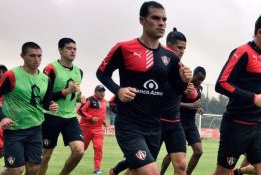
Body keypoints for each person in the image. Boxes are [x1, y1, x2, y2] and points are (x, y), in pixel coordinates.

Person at [96, 1, 192, 175]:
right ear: (142, 20)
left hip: (155, 125)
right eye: (155, 18)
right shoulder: (124, 48)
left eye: (164, 19)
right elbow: (102, 73)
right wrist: (118, 90)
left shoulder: (170, 57)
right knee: (151, 172)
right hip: (129, 125)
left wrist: (184, 81)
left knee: (135, 171)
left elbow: (176, 90)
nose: (161, 23)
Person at [213, 12, 261, 175]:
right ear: (260, 32)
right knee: (223, 173)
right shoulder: (242, 52)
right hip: (235, 126)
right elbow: (221, 84)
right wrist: (254, 98)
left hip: (258, 126)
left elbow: (258, 89)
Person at [0, 42, 58, 175]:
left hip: (35, 129)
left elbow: (44, 102)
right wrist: (2, 117)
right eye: (32, 56)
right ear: (22, 56)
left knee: (33, 168)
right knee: (16, 170)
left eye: (39, 56)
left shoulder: (46, 79)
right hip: (14, 130)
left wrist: (50, 105)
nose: (37, 59)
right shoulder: (11, 75)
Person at [39, 38, 85, 175]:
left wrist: (79, 97)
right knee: (45, 155)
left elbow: (74, 92)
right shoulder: (51, 68)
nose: (72, 51)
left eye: (75, 49)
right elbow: (43, 96)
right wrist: (66, 91)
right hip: (51, 116)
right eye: (69, 48)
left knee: (79, 150)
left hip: (70, 117)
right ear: (60, 50)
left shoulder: (79, 71)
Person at [158, 28, 188, 175]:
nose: (182, 51)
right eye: (179, 47)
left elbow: (177, 92)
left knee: (181, 165)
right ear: (168, 46)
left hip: (174, 123)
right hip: (154, 122)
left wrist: (184, 84)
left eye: (184, 48)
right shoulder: (156, 65)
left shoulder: (181, 69)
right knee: (137, 169)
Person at [78, 85, 107, 174]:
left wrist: (103, 122)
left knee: (98, 148)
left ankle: (97, 169)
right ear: (95, 92)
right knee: (81, 150)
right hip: (86, 128)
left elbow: (100, 114)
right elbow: (80, 111)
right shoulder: (89, 100)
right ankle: (72, 162)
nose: (102, 93)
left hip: (98, 129)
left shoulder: (104, 102)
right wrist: (91, 118)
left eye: (103, 91)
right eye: (100, 91)